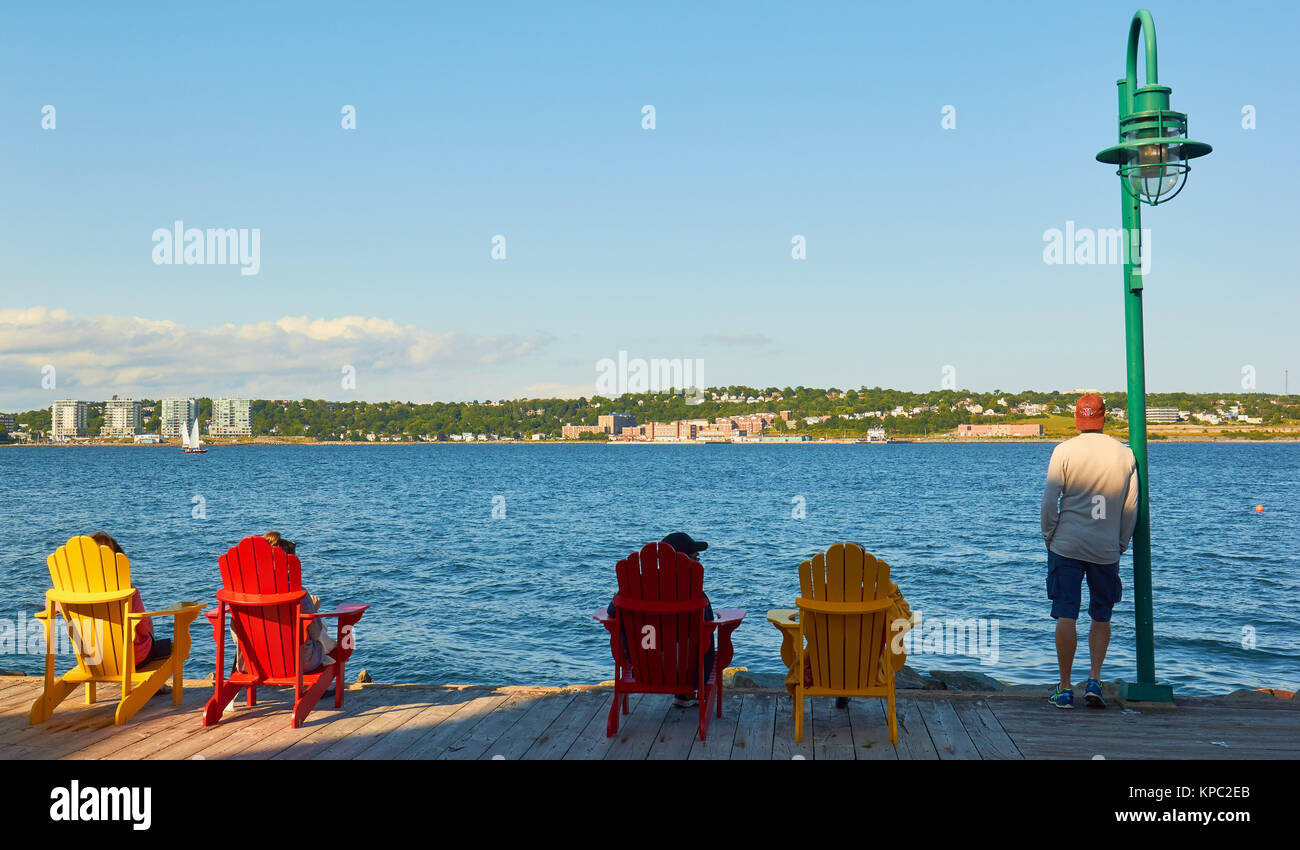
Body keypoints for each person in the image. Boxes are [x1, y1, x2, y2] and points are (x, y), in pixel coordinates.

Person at [1040, 394, 1138, 709]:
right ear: (1103, 417)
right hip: (1106, 548)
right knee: (1102, 614)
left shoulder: (1063, 451)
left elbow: (1049, 501)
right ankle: (1094, 679)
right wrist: (1120, 543)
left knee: (1066, 614)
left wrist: (1049, 536)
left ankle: (1065, 687)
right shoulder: (1124, 454)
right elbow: (1130, 508)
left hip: (1067, 544)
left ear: (1077, 418)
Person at [607, 532, 715, 708]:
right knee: (705, 629)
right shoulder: (694, 594)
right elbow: (708, 624)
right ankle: (686, 692)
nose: (698, 563)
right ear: (682, 560)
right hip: (687, 672)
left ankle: (683, 696)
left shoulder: (634, 589)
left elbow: (612, 611)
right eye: (696, 558)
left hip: (644, 668)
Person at [87, 532, 172, 669]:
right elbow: (143, 629)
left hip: (94, 662)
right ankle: (155, 684)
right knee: (147, 622)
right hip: (133, 660)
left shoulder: (71, 594)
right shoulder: (129, 592)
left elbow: (50, 604)